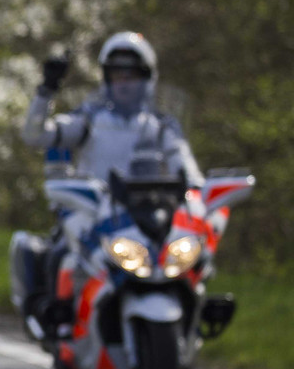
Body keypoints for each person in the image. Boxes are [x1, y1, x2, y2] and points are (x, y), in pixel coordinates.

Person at [21, 32, 204, 331]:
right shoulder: (89, 120)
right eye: (116, 74)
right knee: (62, 255)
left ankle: (192, 322)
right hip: (95, 215)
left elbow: (187, 168)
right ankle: (61, 325)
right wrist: (46, 90)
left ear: (148, 78)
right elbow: (35, 135)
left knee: (191, 258)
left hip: (145, 219)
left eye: (132, 74)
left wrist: (199, 192)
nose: (124, 82)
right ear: (106, 78)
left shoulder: (160, 126)